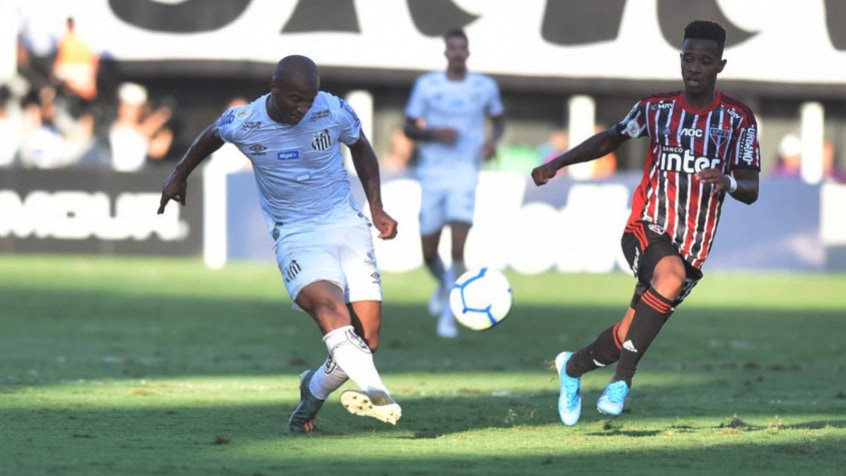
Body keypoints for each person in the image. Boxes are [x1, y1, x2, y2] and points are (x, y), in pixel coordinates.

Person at [157, 55, 401, 435]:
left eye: (309, 99)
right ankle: (377, 391)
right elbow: (211, 136)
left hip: (345, 223)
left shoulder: (333, 110)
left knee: (366, 338)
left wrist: (377, 207)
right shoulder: (246, 121)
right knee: (329, 308)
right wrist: (178, 174)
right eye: (295, 100)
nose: (303, 109)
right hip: (296, 232)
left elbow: (363, 148)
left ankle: (312, 390)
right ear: (274, 89)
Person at [531, 20, 760, 425]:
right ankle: (622, 383)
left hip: (693, 247)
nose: (694, 67)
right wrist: (558, 163)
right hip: (646, 226)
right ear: (681, 60)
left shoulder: (738, 120)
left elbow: (750, 186)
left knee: (626, 336)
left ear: (719, 66)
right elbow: (611, 138)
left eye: (704, 61)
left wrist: (724, 180)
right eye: (688, 58)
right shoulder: (657, 108)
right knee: (667, 278)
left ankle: (572, 367)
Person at [403, 28, 506, 338]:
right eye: (453, 48)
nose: (458, 53)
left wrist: (492, 142)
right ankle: (443, 283)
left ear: (468, 52)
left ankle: (450, 313)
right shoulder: (427, 86)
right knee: (429, 253)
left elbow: (499, 120)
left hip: (465, 172)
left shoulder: (484, 86)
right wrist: (435, 133)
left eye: (463, 48)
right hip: (433, 173)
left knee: (458, 247)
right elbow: (409, 127)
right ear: (446, 52)